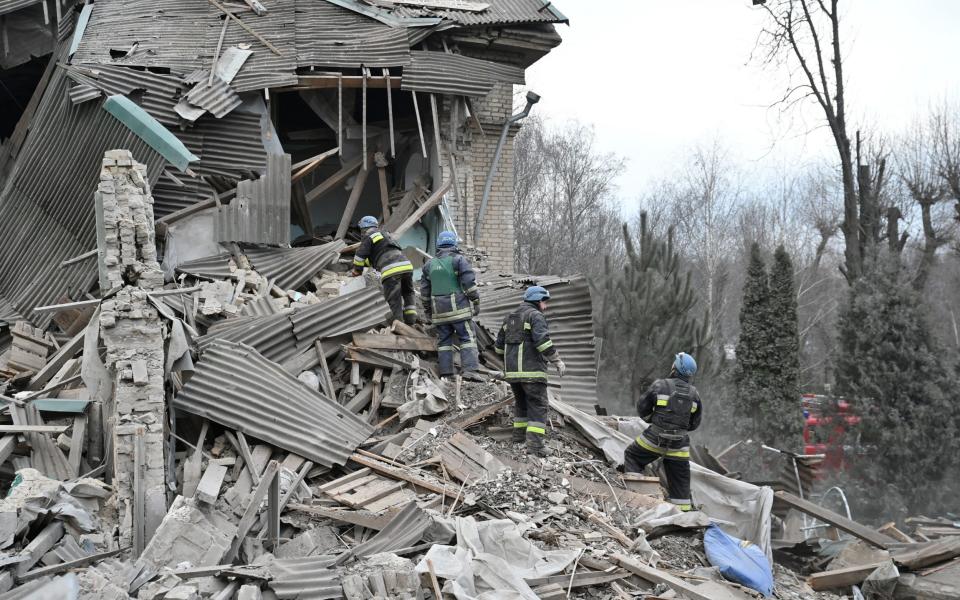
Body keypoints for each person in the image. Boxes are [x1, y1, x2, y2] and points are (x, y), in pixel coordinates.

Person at [624, 352, 703, 511]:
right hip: (679, 447)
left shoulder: (660, 385)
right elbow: (694, 424)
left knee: (632, 455)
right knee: (680, 484)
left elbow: (642, 408)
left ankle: (635, 498)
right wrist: (678, 429)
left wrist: (651, 420)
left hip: (654, 439)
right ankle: (681, 520)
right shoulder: (694, 394)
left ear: (675, 367)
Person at [494, 286, 567, 457]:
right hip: (533, 374)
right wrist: (557, 361)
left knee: (522, 406)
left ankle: (519, 439)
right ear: (537, 300)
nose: (545, 306)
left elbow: (498, 348)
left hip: (513, 376)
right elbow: (543, 343)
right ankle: (536, 446)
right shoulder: (535, 316)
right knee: (538, 407)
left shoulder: (509, 318)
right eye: (544, 302)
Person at [420, 231, 483, 381]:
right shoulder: (459, 260)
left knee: (444, 342)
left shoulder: (429, 265)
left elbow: (424, 293)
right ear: (454, 244)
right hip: (459, 310)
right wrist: (476, 302)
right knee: (467, 338)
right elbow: (469, 284)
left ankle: (446, 374)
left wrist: (429, 312)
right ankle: (470, 370)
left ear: (439, 245)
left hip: (439, 313)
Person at [351, 216, 417, 325]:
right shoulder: (385, 235)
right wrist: (365, 264)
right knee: (408, 292)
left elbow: (360, 255)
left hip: (391, 269)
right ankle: (411, 320)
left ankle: (398, 326)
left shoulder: (369, 236)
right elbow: (377, 257)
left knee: (394, 299)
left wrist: (357, 270)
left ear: (364, 228)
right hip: (406, 266)